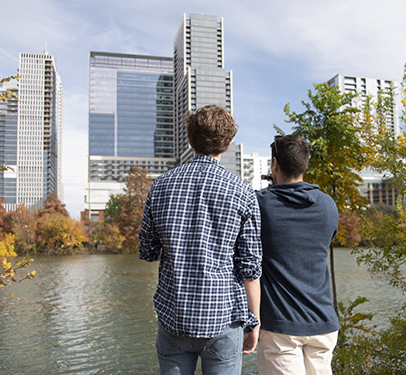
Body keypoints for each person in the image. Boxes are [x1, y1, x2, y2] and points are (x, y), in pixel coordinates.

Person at [138, 105, 262, 375]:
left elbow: (147, 251)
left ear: (189, 139)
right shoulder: (243, 193)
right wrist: (254, 322)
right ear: (228, 144)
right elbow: (250, 269)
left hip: (174, 317)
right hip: (223, 320)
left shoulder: (159, 186)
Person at [255, 134, 340, 375]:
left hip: (281, 326)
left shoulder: (261, 204)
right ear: (306, 163)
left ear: (274, 164)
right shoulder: (328, 205)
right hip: (323, 323)